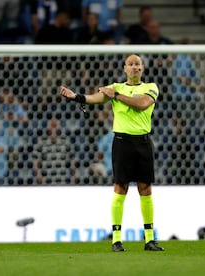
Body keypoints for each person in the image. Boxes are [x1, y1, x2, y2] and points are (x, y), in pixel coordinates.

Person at [60, 54, 164, 252]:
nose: (134, 67)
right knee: (120, 187)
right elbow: (95, 98)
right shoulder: (116, 86)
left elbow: (142, 104)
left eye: (137, 64)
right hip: (122, 142)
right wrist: (77, 97)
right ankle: (116, 239)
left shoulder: (150, 87)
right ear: (125, 68)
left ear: (142, 68)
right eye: (130, 64)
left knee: (145, 189)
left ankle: (149, 239)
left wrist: (115, 95)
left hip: (143, 142)